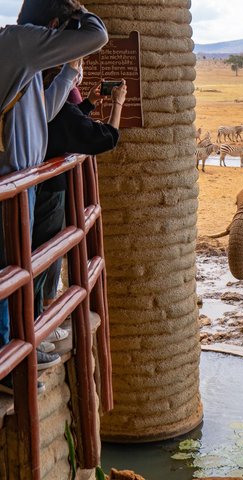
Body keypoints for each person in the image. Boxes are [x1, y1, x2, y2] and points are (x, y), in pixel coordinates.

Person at [0, 0, 108, 394]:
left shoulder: (21, 57)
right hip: (8, 182)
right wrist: (80, 13)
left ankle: (16, 351)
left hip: (20, 181)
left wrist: (68, 73)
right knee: (7, 271)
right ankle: (10, 364)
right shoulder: (19, 42)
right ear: (54, 24)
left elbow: (41, 116)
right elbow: (97, 35)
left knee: (16, 268)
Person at [33, 68, 126, 352]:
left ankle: (41, 320)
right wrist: (118, 104)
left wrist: (87, 104)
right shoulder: (60, 109)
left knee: (44, 254)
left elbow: (67, 123)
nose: (79, 75)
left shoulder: (41, 101)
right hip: (51, 192)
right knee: (43, 256)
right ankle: (38, 327)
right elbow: (106, 137)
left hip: (41, 189)